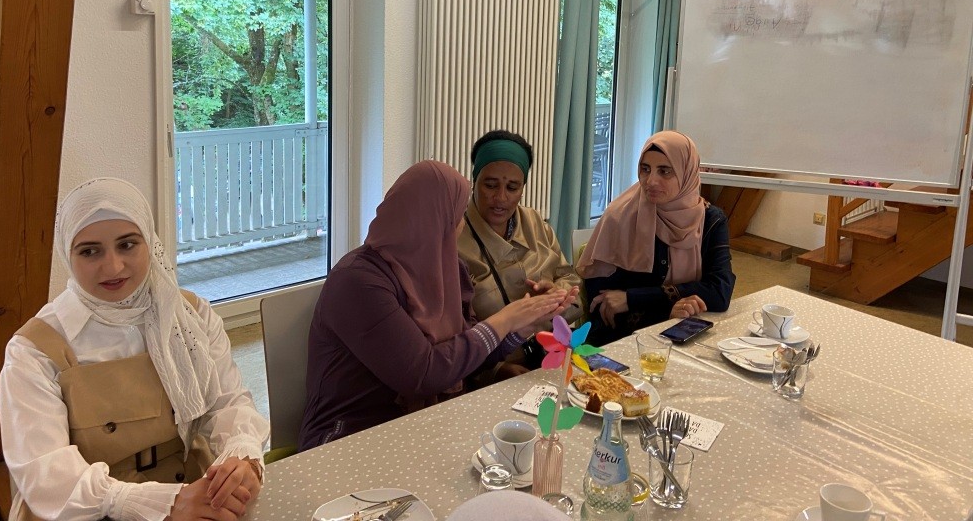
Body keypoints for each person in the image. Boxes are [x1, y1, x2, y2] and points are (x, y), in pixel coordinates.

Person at [0, 178, 269, 521]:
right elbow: (46, 475)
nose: (113, 267)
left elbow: (228, 403)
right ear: (67, 254)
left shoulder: (190, 316)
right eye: (90, 251)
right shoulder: (34, 350)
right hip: (86, 511)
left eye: (127, 245)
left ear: (149, 242)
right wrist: (166, 504)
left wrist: (242, 457)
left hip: (192, 488)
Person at [298, 160, 577, 450]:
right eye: (457, 215)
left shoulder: (446, 269)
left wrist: (523, 324)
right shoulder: (358, 281)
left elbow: (464, 360)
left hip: (424, 424)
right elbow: (423, 374)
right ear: (433, 219)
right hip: (350, 438)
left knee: (537, 450)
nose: (462, 225)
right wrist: (503, 320)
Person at [577, 131, 734, 346]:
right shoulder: (619, 217)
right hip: (623, 339)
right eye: (645, 169)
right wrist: (667, 310)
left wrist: (633, 298)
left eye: (664, 171)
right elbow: (605, 305)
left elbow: (720, 292)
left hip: (684, 329)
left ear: (686, 173)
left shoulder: (711, 220)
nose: (650, 181)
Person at [456, 130, 582, 372]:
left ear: (523, 188)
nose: (500, 197)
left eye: (512, 187)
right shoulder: (455, 238)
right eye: (490, 185)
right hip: (490, 369)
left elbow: (573, 287)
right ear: (474, 182)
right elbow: (452, 340)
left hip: (553, 356)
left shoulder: (536, 224)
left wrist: (556, 295)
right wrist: (495, 371)